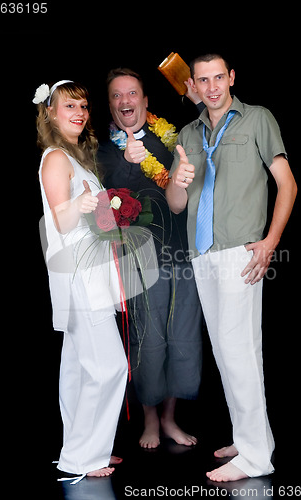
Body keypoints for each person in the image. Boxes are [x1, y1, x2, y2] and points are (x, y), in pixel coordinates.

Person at [166, 54, 297, 482]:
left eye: (218, 77)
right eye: (202, 80)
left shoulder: (257, 118)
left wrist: (271, 242)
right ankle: (250, 438)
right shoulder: (188, 132)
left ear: (231, 78)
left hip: (241, 252)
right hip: (202, 253)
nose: (211, 86)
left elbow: (287, 183)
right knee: (230, 352)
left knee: (237, 350)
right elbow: (176, 204)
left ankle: (256, 458)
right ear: (195, 85)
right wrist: (178, 183)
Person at [98, 68, 203, 449]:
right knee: (148, 341)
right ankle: (150, 422)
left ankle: (171, 418)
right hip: (138, 258)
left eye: (132, 94)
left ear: (145, 101)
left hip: (182, 254)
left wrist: (195, 98)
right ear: (111, 105)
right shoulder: (103, 149)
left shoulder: (171, 138)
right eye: (117, 96)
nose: (125, 101)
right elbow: (105, 209)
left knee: (183, 338)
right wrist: (127, 159)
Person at [35, 80, 128, 480]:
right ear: (51, 112)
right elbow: (61, 220)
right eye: (69, 105)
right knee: (109, 367)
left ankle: (79, 447)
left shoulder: (80, 161)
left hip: (91, 270)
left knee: (76, 369)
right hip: (79, 276)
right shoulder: (56, 158)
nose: (79, 112)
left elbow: (99, 223)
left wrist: (116, 215)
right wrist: (82, 204)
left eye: (84, 106)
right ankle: (84, 458)